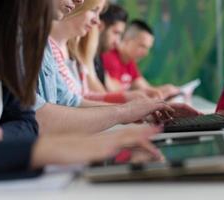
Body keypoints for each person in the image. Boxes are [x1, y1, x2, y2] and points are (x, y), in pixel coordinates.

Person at [0, 0, 165, 174]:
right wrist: (122, 113)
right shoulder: (13, 38)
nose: (97, 21)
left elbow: (35, 118)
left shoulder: (30, 40)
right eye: (94, 10)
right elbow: (38, 120)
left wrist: (125, 111)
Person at [36, 0, 200, 136]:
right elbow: (41, 118)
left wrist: (143, 112)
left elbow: (71, 101)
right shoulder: (34, 44)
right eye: (94, 11)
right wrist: (126, 111)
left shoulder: (45, 47)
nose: (97, 23)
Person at [101, 19, 181, 99]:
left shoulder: (129, 61)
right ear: (127, 40)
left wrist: (166, 90)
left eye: (148, 48)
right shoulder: (110, 57)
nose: (145, 53)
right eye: (142, 46)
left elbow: (146, 89)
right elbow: (114, 92)